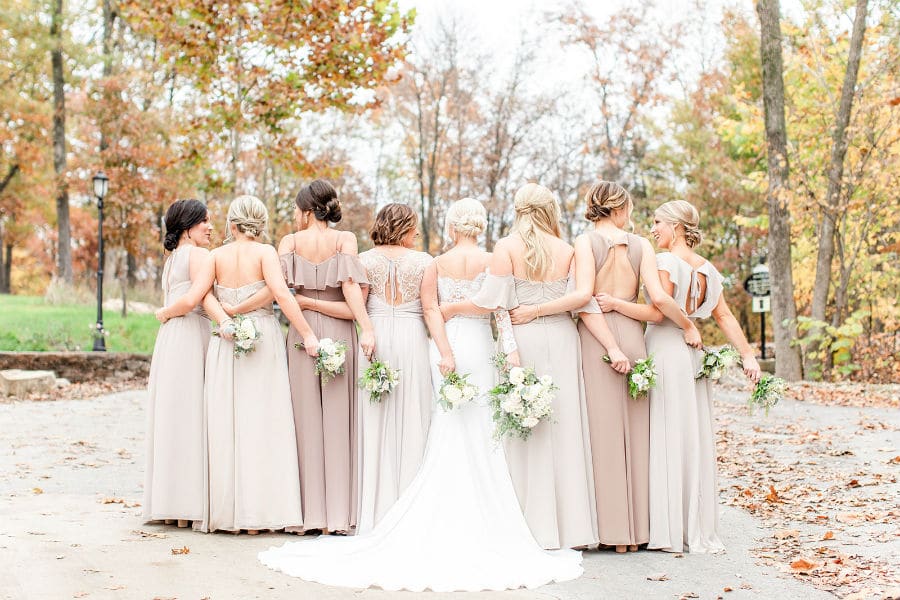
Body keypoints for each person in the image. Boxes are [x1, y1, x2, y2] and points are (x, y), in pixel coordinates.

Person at [257, 198, 583, 592]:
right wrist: (503, 347)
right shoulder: (437, 261)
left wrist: (395, 335)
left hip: (409, 337)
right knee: (429, 420)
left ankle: (378, 509)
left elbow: (382, 301)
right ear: (479, 225)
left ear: (451, 225)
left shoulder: (424, 261)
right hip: (453, 342)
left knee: (396, 419)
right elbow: (475, 308)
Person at [600, 199, 760, 553]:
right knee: (691, 434)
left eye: (658, 222)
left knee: (667, 432)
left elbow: (659, 312)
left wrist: (615, 303)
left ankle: (669, 525)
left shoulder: (665, 261)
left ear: (676, 226)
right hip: (694, 356)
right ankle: (692, 524)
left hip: (670, 349)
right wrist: (747, 355)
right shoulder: (708, 270)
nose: (653, 228)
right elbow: (725, 318)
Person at [444, 183, 598, 550]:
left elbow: (491, 301)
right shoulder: (567, 249)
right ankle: (570, 527)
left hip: (523, 340)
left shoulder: (507, 247)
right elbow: (581, 297)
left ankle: (527, 523)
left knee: (522, 426)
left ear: (518, 210)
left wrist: (452, 307)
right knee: (565, 424)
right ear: (551, 210)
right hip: (562, 337)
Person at [225, 180, 375, 535]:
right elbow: (351, 290)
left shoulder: (289, 243)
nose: (293, 215)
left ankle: (307, 514)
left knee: (303, 420)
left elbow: (271, 291)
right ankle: (339, 516)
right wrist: (365, 326)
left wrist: (235, 309)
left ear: (308, 210)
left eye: (296, 208)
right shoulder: (346, 239)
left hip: (301, 331)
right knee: (340, 422)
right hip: (339, 328)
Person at [574, 182, 702, 553]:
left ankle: (611, 532)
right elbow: (657, 305)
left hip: (595, 338)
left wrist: (609, 338)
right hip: (634, 334)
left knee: (602, 432)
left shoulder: (584, 244)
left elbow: (585, 301)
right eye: (628, 207)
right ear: (618, 207)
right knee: (638, 432)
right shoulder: (642, 246)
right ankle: (639, 532)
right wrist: (688, 325)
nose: (631, 214)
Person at [196, 195, 318, 534]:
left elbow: (203, 295)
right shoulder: (266, 253)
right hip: (261, 336)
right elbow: (280, 294)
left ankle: (230, 514)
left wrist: (225, 318)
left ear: (231, 224)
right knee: (264, 420)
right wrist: (307, 333)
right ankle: (260, 514)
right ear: (259, 222)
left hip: (226, 340)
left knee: (227, 420)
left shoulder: (215, 255)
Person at [354, 203, 439, 531]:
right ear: (403, 227)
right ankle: (410, 508)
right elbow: (430, 308)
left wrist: (368, 331)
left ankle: (376, 511)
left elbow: (358, 306)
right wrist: (445, 348)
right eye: (414, 226)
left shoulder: (364, 259)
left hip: (375, 337)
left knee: (376, 418)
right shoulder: (424, 262)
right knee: (413, 413)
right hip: (411, 339)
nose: (417, 233)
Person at [144, 199, 214, 527]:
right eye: (204, 222)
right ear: (188, 226)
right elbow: (191, 300)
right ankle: (190, 505)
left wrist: (165, 314)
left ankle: (170, 503)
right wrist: (166, 312)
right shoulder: (200, 256)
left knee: (173, 416)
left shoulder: (171, 260)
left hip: (170, 339)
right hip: (188, 335)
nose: (210, 227)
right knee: (192, 415)